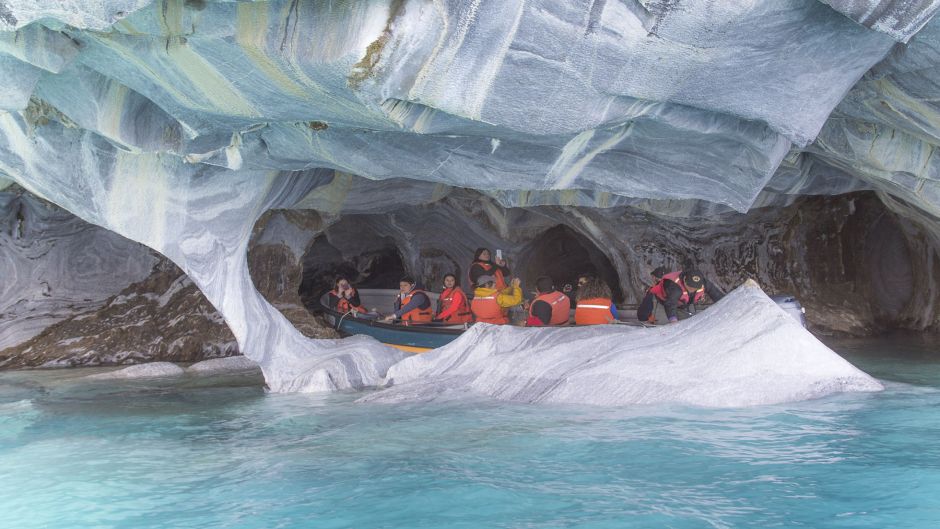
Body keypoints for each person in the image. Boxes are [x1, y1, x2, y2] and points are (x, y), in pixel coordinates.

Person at [640, 268, 725, 323]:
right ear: (684, 280)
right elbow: (670, 304)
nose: (693, 290)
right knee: (667, 326)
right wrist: (673, 319)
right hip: (664, 302)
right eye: (690, 287)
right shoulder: (674, 286)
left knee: (691, 325)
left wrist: (726, 305)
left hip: (685, 303)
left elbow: (717, 295)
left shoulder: (702, 282)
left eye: (696, 288)